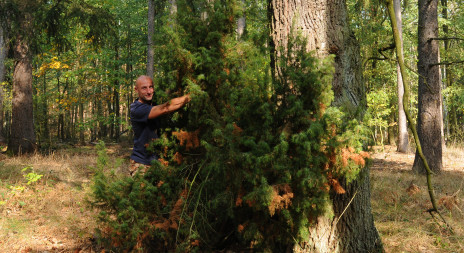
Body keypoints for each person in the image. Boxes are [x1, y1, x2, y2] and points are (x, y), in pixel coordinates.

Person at [129, 75, 190, 176]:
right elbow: (165, 108)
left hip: (158, 162)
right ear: (136, 90)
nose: (149, 91)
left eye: (151, 87)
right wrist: (191, 95)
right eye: (144, 88)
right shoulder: (137, 109)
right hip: (141, 164)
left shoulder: (153, 103)